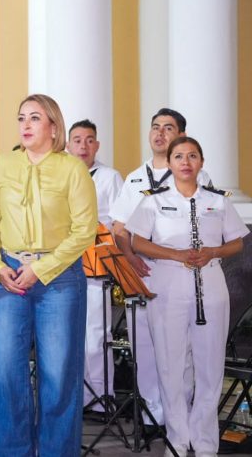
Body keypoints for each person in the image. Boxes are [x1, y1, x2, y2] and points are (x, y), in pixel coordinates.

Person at [0, 94, 97, 456]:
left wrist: (41, 269)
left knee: (58, 374)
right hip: (9, 276)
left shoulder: (73, 169)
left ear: (53, 127)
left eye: (34, 118)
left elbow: (85, 231)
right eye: (21, 118)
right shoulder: (4, 164)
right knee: (6, 371)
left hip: (59, 279)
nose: (25, 125)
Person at [125, 136, 248, 457]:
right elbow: (137, 242)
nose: (185, 162)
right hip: (168, 282)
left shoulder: (218, 201)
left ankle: (205, 443)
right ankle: (177, 441)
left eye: (192, 156)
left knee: (210, 367)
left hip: (211, 283)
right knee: (171, 366)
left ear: (201, 162)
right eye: (178, 156)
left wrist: (213, 251)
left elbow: (237, 242)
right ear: (169, 162)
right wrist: (175, 254)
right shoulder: (153, 201)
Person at [109, 108, 211, 425]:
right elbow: (118, 226)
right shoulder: (134, 177)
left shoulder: (196, 174)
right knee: (144, 347)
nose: (160, 133)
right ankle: (153, 415)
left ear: (181, 135)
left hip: (180, 270)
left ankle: (181, 418)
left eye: (168, 127)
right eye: (155, 127)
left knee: (181, 350)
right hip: (141, 272)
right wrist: (130, 258)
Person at [66, 119, 123, 411]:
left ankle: (101, 396)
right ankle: (76, 396)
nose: (83, 146)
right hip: (63, 265)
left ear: (97, 145)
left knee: (97, 332)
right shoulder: (61, 174)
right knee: (69, 334)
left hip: (95, 265)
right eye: (77, 140)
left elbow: (119, 220)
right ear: (67, 144)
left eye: (89, 140)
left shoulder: (110, 177)